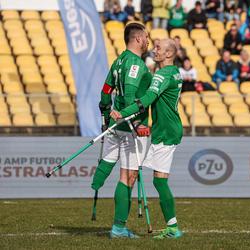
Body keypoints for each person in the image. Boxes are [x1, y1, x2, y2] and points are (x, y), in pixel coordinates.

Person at [111, 38, 184, 239]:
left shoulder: (163, 74)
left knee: (160, 182)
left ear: (169, 54)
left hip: (166, 132)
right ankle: (171, 227)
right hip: (167, 129)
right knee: (155, 179)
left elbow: (148, 99)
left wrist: (123, 112)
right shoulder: (173, 72)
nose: (154, 49)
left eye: (159, 48)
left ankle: (173, 228)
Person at [91, 23, 152, 239]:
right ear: (137, 39)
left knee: (118, 170)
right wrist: (134, 122)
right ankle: (118, 228)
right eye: (146, 37)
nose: (148, 41)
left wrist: (106, 117)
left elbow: (106, 90)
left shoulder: (118, 60)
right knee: (128, 176)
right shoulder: (136, 64)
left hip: (116, 126)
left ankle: (99, 178)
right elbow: (130, 96)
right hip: (130, 128)